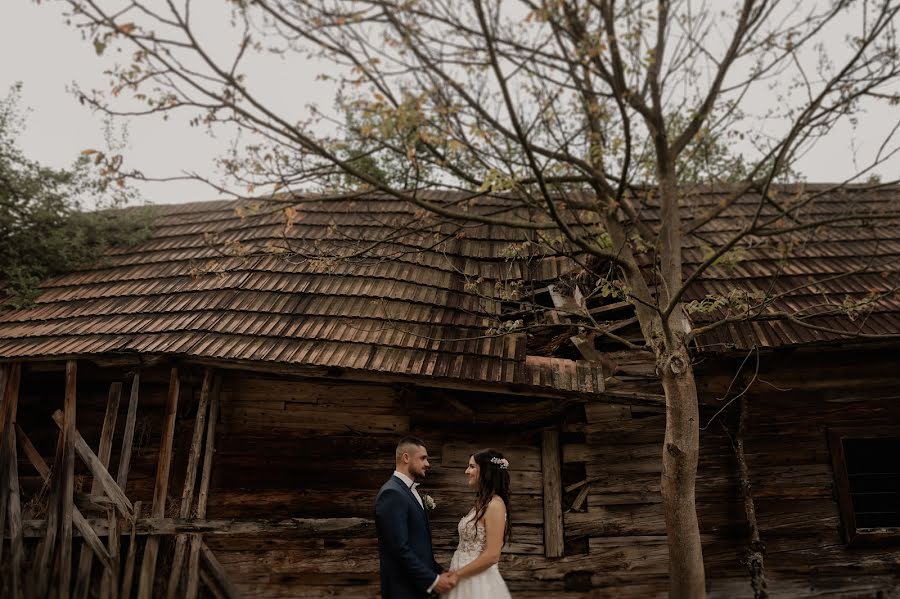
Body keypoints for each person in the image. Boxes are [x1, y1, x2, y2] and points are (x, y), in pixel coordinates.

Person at [375, 436, 457, 598]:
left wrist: (439, 571)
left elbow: (418, 546)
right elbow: (399, 549)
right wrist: (433, 580)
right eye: (423, 458)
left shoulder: (408, 491)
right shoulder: (392, 493)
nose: (427, 464)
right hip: (403, 591)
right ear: (406, 458)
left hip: (417, 589)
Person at [442, 448, 512, 599]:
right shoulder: (481, 502)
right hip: (462, 575)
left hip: (478, 581)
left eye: (472, 466)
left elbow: (492, 555)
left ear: (486, 471)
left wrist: (457, 574)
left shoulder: (495, 505)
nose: (467, 471)